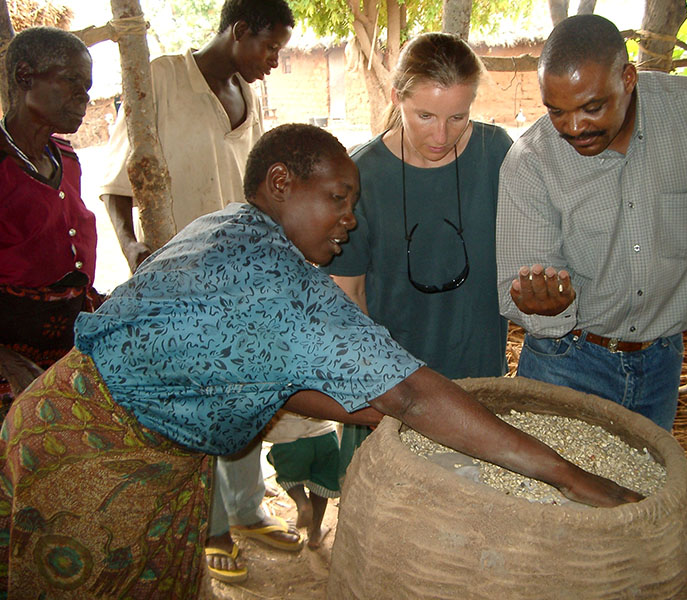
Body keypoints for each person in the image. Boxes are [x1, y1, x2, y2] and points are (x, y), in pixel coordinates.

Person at [0, 123, 641, 598]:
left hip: (71, 417)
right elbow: (414, 395)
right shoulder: (282, 283)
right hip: (97, 460)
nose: (350, 220)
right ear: (282, 183)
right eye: (338, 198)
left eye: (353, 204)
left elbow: (261, 379)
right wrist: (571, 478)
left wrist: (379, 410)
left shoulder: (225, 226)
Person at [496, 14, 687, 431]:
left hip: (661, 364)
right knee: (554, 494)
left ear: (628, 78)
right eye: (556, 112)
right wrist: (544, 305)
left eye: (592, 107)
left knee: (644, 493)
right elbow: (515, 286)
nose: (574, 127)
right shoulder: (531, 163)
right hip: (566, 363)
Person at [98, 0, 300, 582]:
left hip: (238, 281)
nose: (274, 61)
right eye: (271, 47)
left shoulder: (248, 96)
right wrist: (133, 247)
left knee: (241, 396)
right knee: (195, 406)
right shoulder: (158, 78)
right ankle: (209, 527)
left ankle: (248, 511)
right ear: (239, 32)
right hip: (177, 283)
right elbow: (117, 181)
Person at [323, 32, 512, 482]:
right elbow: (346, 292)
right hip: (396, 386)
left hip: (479, 380)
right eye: (424, 115)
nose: (441, 135)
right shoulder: (362, 174)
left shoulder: (497, 153)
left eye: (458, 117)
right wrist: (372, 384)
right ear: (396, 98)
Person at [0, 27, 101, 418]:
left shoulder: (67, 160)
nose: (85, 96)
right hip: (12, 355)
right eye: (72, 80)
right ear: (25, 77)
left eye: (88, 85)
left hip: (67, 342)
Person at [265, 411, 340, 550]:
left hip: (287, 438)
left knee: (289, 477)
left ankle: (302, 502)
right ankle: (315, 532)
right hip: (325, 434)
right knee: (321, 484)